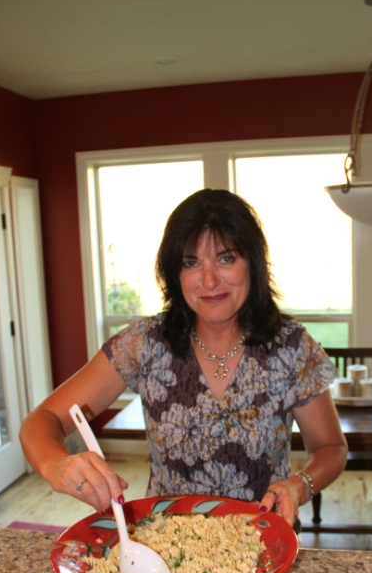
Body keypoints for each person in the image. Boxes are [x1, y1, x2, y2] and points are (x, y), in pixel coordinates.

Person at [20, 189, 347, 528]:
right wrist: (57, 464)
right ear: (174, 272)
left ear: (253, 262)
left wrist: (300, 485)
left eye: (226, 258)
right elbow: (41, 421)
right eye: (191, 262)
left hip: (265, 546)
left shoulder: (291, 348)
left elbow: (330, 446)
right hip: (166, 557)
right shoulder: (145, 344)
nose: (209, 280)